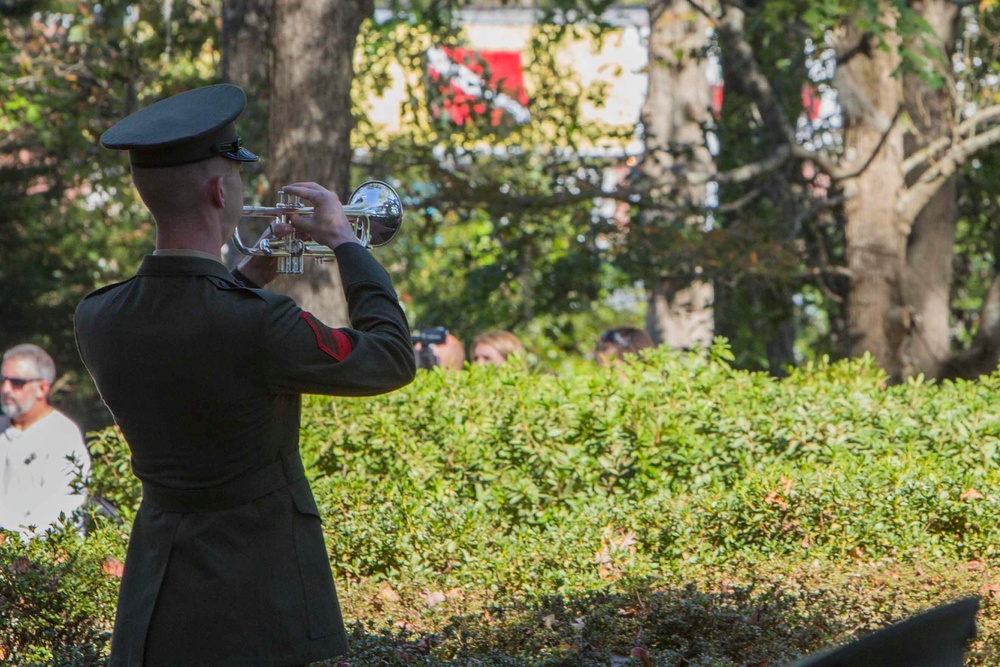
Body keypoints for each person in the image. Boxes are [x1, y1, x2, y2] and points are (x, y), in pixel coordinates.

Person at [74, 84, 415, 667]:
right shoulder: (262, 324)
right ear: (217, 189)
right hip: (259, 594)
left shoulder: (98, 315)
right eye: (236, 175)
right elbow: (390, 357)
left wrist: (246, 274)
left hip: (155, 593)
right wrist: (345, 243)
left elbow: (195, 327)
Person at [0, 343, 91, 538]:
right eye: (3, 380)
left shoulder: (63, 436)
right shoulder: (2, 428)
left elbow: (60, 518)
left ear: (42, 388)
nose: (6, 389)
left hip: (38, 559)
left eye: (17, 382)